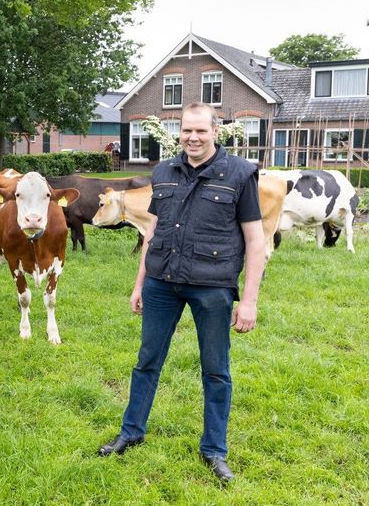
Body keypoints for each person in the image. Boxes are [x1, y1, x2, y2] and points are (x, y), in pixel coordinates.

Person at [98, 103, 266, 483]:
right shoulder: (164, 171)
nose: (193, 138)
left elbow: (256, 241)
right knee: (146, 361)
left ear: (215, 132)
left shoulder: (240, 174)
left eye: (201, 131)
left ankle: (214, 450)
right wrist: (140, 283)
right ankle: (131, 431)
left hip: (213, 286)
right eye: (187, 131)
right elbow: (152, 232)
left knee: (216, 370)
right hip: (162, 282)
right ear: (180, 132)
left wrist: (250, 300)